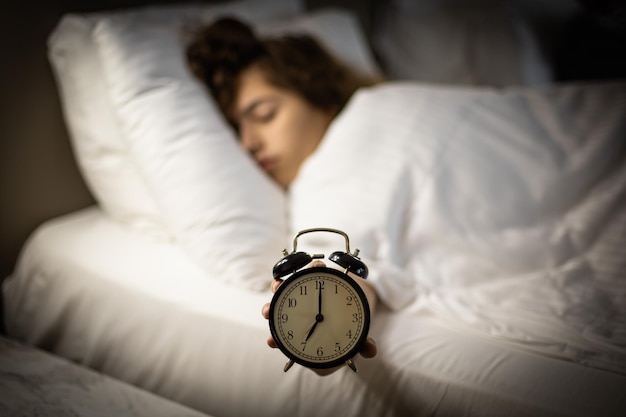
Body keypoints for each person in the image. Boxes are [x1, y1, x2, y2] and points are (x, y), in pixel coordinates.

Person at [186, 16, 381, 375]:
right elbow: (358, 275)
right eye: (237, 129)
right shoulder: (320, 187)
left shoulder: (365, 124)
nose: (248, 144)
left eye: (264, 114)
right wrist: (330, 329)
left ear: (322, 98)